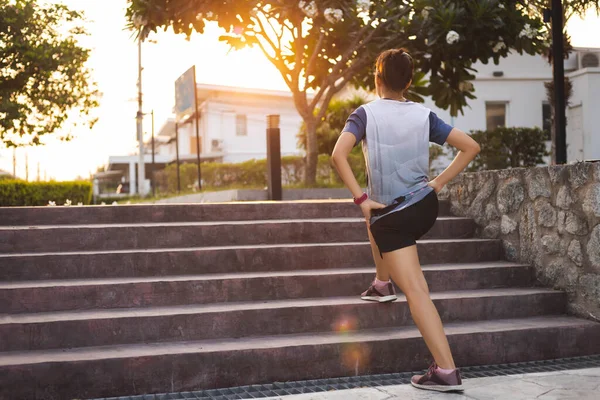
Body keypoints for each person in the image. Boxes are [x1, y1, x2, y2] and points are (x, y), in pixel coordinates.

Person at [331, 48, 481, 393]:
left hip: (395, 216)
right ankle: (382, 283)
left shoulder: (365, 113)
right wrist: (439, 182)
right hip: (425, 206)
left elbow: (338, 155)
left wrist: (361, 199)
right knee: (378, 218)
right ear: (410, 82)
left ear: (376, 79)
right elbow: (471, 146)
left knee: (414, 286)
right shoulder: (423, 115)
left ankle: (446, 371)